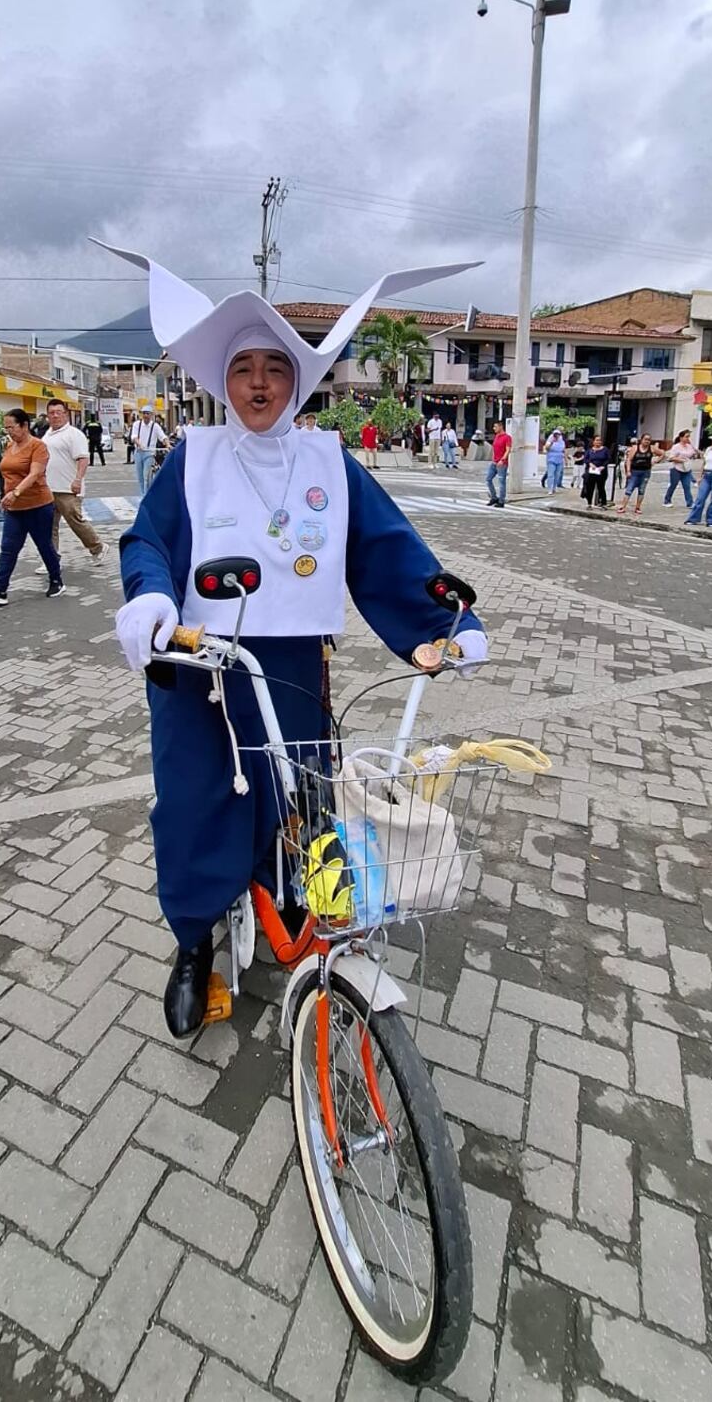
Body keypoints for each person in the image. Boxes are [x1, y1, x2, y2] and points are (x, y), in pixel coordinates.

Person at [108, 243, 487, 1036]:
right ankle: (191, 947)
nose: (257, 383)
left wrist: (446, 622)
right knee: (193, 804)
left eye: (273, 368)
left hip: (287, 665)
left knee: (299, 804)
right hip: (198, 667)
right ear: (223, 378)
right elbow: (148, 541)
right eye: (243, 366)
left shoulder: (328, 458)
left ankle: (291, 912)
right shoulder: (194, 456)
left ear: (296, 381)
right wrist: (147, 596)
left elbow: (385, 547)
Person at [0, 410, 63, 604]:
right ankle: (0, 589)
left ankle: (56, 579)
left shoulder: (38, 446)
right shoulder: (9, 446)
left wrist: (16, 493)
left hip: (38, 505)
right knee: (8, 548)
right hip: (14, 510)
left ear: (24, 425)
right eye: (5, 427)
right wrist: (3, 496)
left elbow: (34, 475)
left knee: (44, 546)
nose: (9, 432)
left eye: (11, 427)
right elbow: (6, 474)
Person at [43, 398, 104, 563]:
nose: (55, 416)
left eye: (58, 412)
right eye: (51, 413)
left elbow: (83, 459)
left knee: (75, 521)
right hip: (49, 488)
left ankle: (97, 547)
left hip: (68, 488)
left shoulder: (74, 434)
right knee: (48, 526)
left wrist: (78, 480)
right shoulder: (47, 434)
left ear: (66, 414)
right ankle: (51, 559)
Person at [131, 406, 168, 496]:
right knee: (140, 477)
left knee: (146, 476)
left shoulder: (155, 426)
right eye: (144, 413)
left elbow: (163, 437)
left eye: (147, 413)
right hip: (138, 452)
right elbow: (134, 437)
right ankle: (142, 494)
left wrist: (168, 444)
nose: (145, 415)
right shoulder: (137, 424)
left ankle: (147, 496)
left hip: (149, 453)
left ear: (151, 415)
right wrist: (139, 444)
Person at [616, 433, 654, 515]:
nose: (647, 441)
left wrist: (655, 461)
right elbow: (629, 460)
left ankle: (638, 507)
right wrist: (628, 471)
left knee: (642, 490)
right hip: (635, 471)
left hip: (645, 472)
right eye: (645, 439)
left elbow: (662, 453)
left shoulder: (651, 448)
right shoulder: (635, 448)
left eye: (649, 440)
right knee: (629, 489)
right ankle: (623, 506)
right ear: (641, 440)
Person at [662, 430, 696, 509]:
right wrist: (680, 460)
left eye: (688, 437)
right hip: (676, 469)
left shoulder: (689, 446)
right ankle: (667, 500)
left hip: (686, 469)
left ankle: (690, 502)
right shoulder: (676, 447)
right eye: (686, 437)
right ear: (681, 438)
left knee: (687, 486)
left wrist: (693, 454)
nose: (688, 438)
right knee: (673, 485)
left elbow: (693, 454)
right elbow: (671, 458)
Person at [486, 420, 511, 507]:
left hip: (502, 463)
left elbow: (508, 450)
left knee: (501, 482)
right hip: (494, 462)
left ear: (501, 427)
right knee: (488, 479)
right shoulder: (496, 436)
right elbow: (494, 448)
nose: (494, 429)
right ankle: (494, 497)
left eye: (495, 427)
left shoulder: (507, 437)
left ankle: (501, 501)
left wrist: (502, 460)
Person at [580, 437, 610, 508]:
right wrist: (590, 464)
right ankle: (589, 503)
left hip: (601, 471)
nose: (598, 442)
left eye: (599, 440)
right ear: (593, 442)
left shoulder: (605, 450)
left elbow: (608, 459)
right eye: (596, 440)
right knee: (590, 487)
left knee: (601, 488)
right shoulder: (589, 450)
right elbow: (586, 459)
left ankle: (603, 503)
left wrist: (603, 466)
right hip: (591, 471)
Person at [543, 429, 566, 493]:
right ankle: (549, 488)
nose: (557, 436)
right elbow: (546, 448)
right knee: (551, 474)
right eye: (555, 434)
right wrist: (551, 442)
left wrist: (566, 459)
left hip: (559, 459)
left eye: (558, 434)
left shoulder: (562, 441)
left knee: (557, 475)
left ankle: (554, 487)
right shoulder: (550, 440)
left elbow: (563, 450)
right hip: (551, 459)